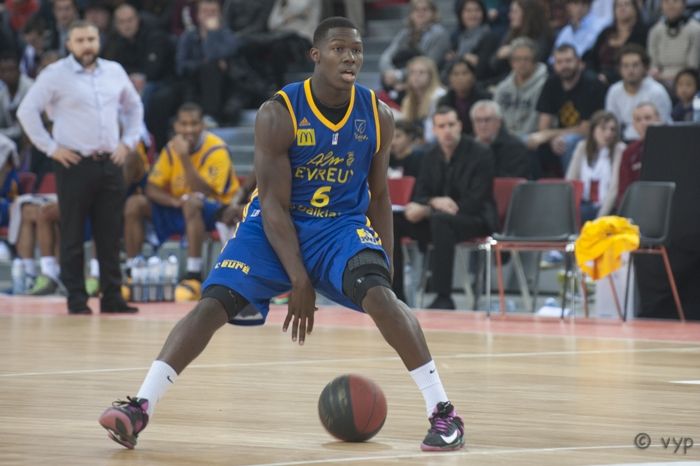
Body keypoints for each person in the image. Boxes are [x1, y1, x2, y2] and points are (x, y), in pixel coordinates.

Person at [98, 17, 465, 452]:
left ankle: (444, 413)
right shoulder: (279, 112)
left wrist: (384, 268)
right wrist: (298, 279)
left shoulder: (378, 114)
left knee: (384, 300)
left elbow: (381, 195)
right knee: (212, 305)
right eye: (339, 49)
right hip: (276, 223)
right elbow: (272, 204)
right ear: (316, 55)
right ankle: (139, 407)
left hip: (340, 227)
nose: (350, 57)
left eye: (356, 50)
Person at [17, 20, 144, 314]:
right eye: (80, 40)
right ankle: (76, 298)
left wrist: (128, 142)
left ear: (98, 40)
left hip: (110, 161)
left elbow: (134, 107)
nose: (87, 45)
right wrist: (51, 148)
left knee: (110, 233)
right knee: (72, 233)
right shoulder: (55, 74)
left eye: (91, 39)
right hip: (73, 163)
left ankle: (112, 296)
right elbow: (27, 111)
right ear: (69, 44)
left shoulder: (114, 71)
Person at [123, 102, 239, 299]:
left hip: (216, 211)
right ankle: (132, 272)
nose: (188, 129)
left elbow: (205, 191)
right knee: (135, 203)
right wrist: (173, 202)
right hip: (181, 207)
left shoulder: (216, 148)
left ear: (203, 125)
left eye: (194, 124)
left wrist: (184, 157)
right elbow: (151, 188)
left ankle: (193, 276)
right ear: (176, 126)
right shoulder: (171, 148)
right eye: (184, 124)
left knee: (192, 203)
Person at [392, 106, 497, 309]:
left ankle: (443, 297)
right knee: (394, 221)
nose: (447, 130)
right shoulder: (430, 155)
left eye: (451, 125)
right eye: (441, 126)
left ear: (460, 126)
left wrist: (431, 209)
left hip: (475, 219)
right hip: (437, 219)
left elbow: (476, 200)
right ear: (434, 130)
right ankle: (396, 294)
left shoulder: (481, 153)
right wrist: (433, 202)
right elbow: (421, 194)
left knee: (441, 221)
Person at [528, 44, 607, 177]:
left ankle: (571, 186)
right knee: (529, 141)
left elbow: (586, 129)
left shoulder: (592, 84)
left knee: (568, 142)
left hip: (591, 137)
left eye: (568, 61)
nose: (564, 66)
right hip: (559, 136)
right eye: (559, 62)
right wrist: (551, 139)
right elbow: (543, 125)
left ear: (579, 62)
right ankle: (535, 186)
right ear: (554, 65)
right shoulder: (551, 83)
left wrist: (550, 135)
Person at [565, 110, 625, 222]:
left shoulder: (619, 149)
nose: (608, 133)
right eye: (603, 128)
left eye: (612, 129)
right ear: (593, 129)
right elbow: (570, 180)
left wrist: (599, 219)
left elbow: (614, 188)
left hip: (607, 206)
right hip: (584, 201)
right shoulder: (582, 147)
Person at [604, 44, 671, 141]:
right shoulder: (614, 91)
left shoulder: (657, 92)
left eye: (635, 65)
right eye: (625, 66)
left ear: (645, 67)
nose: (630, 70)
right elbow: (612, 124)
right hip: (624, 141)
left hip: (655, 140)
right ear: (619, 69)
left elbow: (662, 125)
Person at [492, 37, 548, 140]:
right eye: (517, 59)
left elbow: (537, 122)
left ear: (534, 61)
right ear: (511, 62)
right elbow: (495, 117)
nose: (522, 63)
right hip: (504, 138)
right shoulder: (502, 88)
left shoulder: (545, 85)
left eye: (526, 59)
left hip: (530, 138)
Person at [471, 99, 531, 178]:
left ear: (499, 122)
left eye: (487, 120)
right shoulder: (468, 146)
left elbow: (513, 180)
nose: (483, 125)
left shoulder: (515, 147)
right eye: (478, 120)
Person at [647, 0, 700, 86]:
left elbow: (692, 66)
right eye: (666, 2)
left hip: (687, 79)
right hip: (659, 78)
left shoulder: (696, 30)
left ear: (684, 4)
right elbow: (653, 64)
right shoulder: (655, 30)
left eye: (675, 1)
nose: (671, 5)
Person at [616, 102, 661, 202]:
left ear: (658, 119)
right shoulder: (629, 152)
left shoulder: (672, 145)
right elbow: (624, 190)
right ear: (634, 125)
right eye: (638, 120)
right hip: (640, 204)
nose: (643, 123)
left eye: (648, 118)